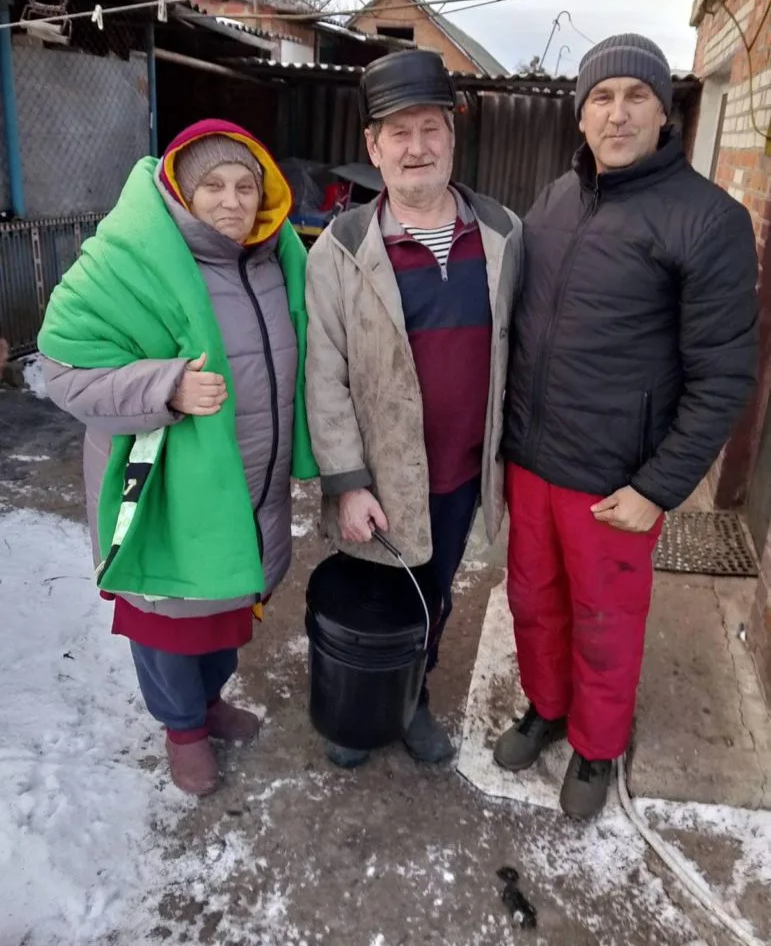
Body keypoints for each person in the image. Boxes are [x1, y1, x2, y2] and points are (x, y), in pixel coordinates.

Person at [496, 34, 758, 819]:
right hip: (530, 460)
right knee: (531, 600)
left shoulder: (706, 221)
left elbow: (722, 378)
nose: (616, 113)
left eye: (634, 96)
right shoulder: (553, 201)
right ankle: (546, 709)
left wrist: (657, 487)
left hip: (615, 482)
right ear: (579, 116)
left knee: (605, 623)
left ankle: (596, 745)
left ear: (663, 110)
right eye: (600, 97)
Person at [38, 119, 317, 797]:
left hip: (252, 486)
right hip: (167, 490)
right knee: (168, 622)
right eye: (212, 186)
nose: (230, 200)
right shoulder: (126, 261)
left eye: (245, 185)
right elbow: (63, 371)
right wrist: (164, 386)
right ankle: (181, 728)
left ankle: (208, 701)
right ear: (181, 195)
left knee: (228, 610)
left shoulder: (279, 256)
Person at [305, 49, 522, 768]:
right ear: (373, 146)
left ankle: (410, 701)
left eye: (428, 128)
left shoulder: (502, 235)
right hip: (377, 475)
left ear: (451, 137)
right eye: (397, 132)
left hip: (459, 472)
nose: (416, 147)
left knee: (431, 598)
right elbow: (324, 371)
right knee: (370, 596)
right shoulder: (340, 247)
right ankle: (356, 710)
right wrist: (345, 479)